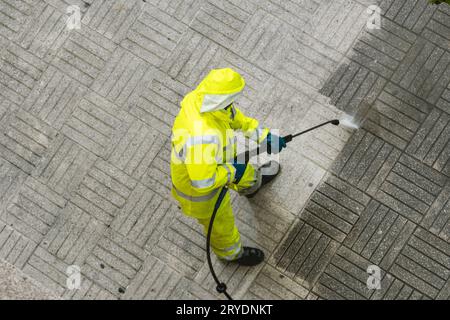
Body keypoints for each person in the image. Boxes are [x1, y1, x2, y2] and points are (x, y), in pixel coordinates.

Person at [170, 68, 286, 266]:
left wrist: (263, 135)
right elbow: (204, 181)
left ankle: (251, 186)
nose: (233, 103)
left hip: (217, 161)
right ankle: (231, 254)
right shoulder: (202, 138)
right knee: (220, 225)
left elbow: (234, 118)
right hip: (202, 194)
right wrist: (232, 171)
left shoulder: (204, 101)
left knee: (242, 170)